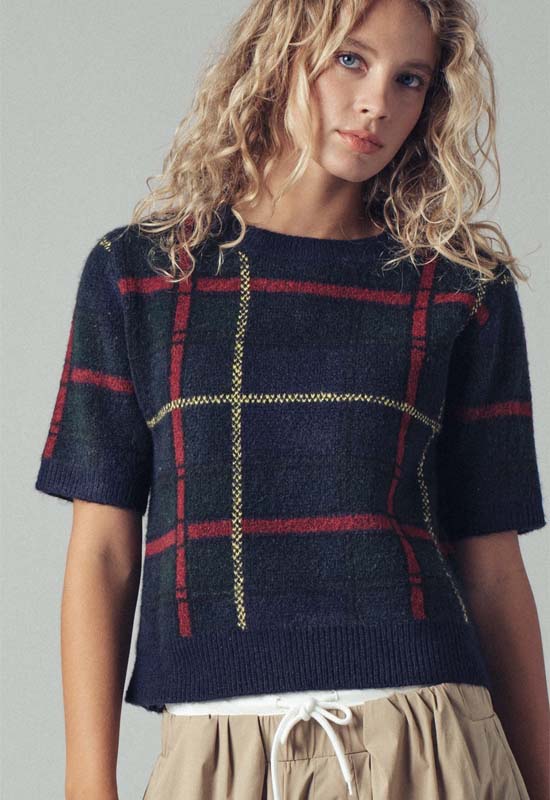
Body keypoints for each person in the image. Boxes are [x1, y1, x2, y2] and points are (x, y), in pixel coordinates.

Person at [34, 0, 549, 797]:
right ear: (279, 53)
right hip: (214, 751)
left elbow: (493, 569)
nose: (377, 102)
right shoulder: (141, 274)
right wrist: (86, 784)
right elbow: (102, 551)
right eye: (351, 59)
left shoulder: (458, 287)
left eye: (409, 79)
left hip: (430, 739)